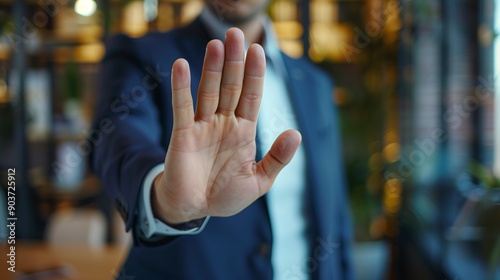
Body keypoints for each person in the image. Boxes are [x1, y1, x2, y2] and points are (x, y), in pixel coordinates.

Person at [90, 0, 353, 279]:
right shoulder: (141, 56)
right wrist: (166, 199)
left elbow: (335, 214)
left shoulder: (315, 84)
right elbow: (117, 140)